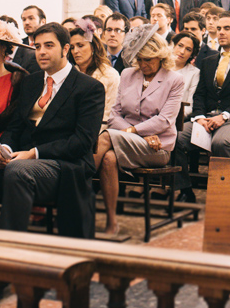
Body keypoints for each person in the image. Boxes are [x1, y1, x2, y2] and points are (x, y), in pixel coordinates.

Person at [0, 22, 105, 237]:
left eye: (49, 45)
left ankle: (8, 245)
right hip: (23, 158)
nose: (41, 52)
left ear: (66, 49)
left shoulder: (89, 88)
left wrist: (33, 154)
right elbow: (15, 126)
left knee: (18, 171)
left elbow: (82, 142)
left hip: (65, 165)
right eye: (37, 46)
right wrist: (3, 147)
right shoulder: (31, 82)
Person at [95, 26, 184, 237]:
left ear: (161, 57)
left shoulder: (174, 80)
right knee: (107, 159)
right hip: (130, 139)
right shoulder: (128, 74)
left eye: (149, 60)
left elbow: (165, 120)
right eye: (140, 59)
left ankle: (76, 183)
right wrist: (131, 132)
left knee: (106, 136)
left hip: (156, 148)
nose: (143, 65)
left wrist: (132, 130)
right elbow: (114, 113)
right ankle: (111, 221)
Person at [173, 10, 230, 202]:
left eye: (227, 28)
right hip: (205, 119)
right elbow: (200, 94)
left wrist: (225, 116)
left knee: (221, 142)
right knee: (175, 137)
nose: (221, 32)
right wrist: (199, 117)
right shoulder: (208, 61)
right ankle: (185, 190)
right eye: (219, 28)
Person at [68, 23, 120, 134]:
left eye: (80, 45)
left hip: (97, 132)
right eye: (72, 47)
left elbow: (109, 115)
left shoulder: (110, 75)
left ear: (93, 47)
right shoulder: (69, 75)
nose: (75, 51)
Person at [167, 31, 202, 118]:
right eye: (180, 45)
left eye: (188, 49)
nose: (182, 51)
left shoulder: (194, 73)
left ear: (192, 54)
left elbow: (190, 106)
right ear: (174, 45)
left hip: (176, 118)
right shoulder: (161, 67)